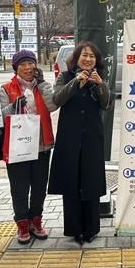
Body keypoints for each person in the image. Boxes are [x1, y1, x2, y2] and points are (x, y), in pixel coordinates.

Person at [48, 42, 110, 244]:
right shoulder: (65, 76)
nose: (88, 59)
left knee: (91, 180)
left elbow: (106, 104)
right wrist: (76, 82)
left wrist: (100, 85)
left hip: (92, 137)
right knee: (71, 181)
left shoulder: (99, 77)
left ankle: (91, 229)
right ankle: (74, 229)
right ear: (76, 58)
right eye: (84, 55)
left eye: (92, 56)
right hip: (70, 137)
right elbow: (57, 99)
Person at [0, 49, 57, 244]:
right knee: (19, 188)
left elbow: (52, 106)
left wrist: (43, 84)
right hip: (18, 148)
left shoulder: (42, 86)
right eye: (23, 64)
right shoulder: (6, 88)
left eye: (30, 63)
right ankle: (22, 224)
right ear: (16, 68)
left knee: (40, 187)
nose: (27, 67)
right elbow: (0, 116)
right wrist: (13, 106)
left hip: (41, 144)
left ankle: (36, 221)